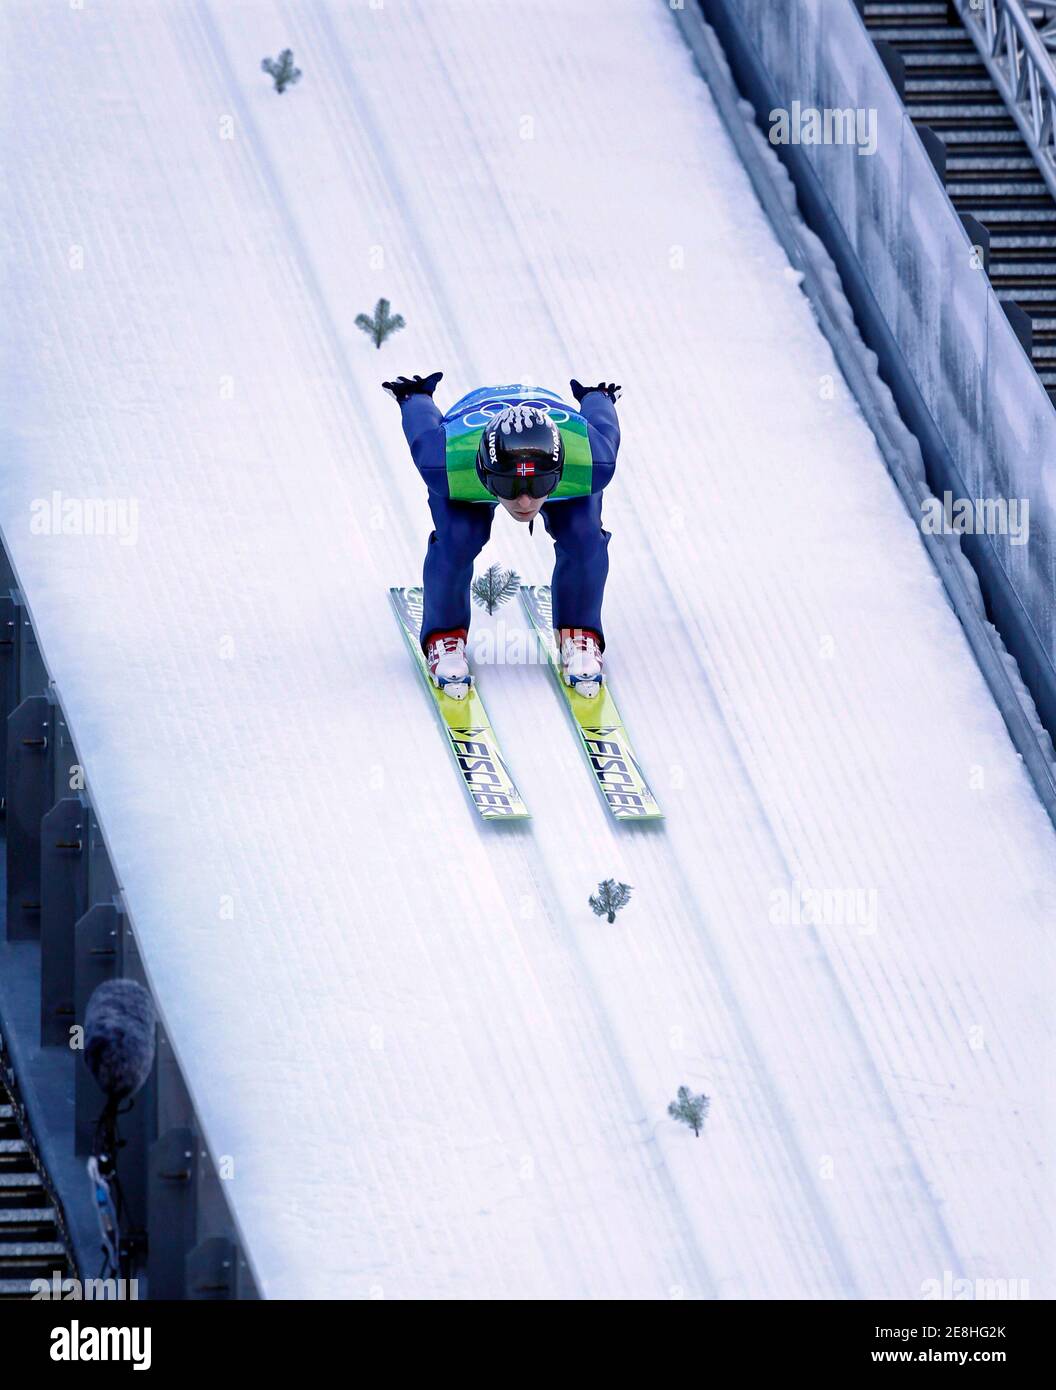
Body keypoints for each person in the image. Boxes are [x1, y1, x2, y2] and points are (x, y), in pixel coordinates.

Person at [382, 372, 621, 700]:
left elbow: (603, 424)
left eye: (538, 486)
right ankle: (444, 636)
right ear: (483, 471)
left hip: (552, 453)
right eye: (509, 486)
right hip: (470, 442)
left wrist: (597, 397)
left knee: (583, 535)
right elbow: (423, 426)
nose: (524, 501)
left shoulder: (593, 460)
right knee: (460, 536)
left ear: (560, 469)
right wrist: (414, 396)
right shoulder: (446, 462)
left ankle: (580, 634)